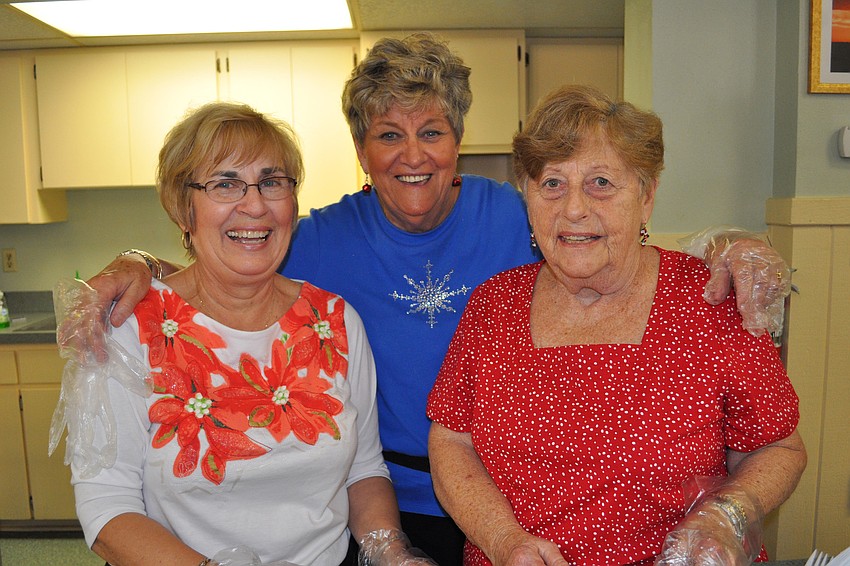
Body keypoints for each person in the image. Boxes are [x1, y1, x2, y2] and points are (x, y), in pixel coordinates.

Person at [73, 34, 792, 566]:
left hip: (483, 510)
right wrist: (139, 266)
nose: (412, 154)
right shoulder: (317, 240)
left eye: (432, 132)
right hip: (384, 505)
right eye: (388, 135)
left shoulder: (516, 215)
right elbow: (232, 258)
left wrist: (726, 245)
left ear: (458, 141)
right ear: (361, 150)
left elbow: (610, 235)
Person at [425, 84, 806, 565]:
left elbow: (779, 448)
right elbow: (451, 440)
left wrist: (728, 514)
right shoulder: (493, 305)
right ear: (528, 197)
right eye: (552, 183)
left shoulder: (710, 299)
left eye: (601, 182)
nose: (574, 208)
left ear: (646, 196)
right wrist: (503, 541)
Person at [60, 102, 434, 566]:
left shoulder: (334, 320)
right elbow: (107, 509)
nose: (255, 205)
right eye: (225, 183)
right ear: (183, 209)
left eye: (272, 182)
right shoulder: (128, 326)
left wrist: (390, 552)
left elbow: (364, 469)